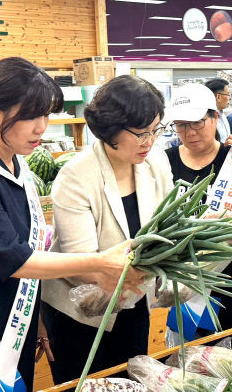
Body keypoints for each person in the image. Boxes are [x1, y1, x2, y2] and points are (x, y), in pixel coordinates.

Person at [0, 58, 140, 392]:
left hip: (14, 331)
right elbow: (15, 259)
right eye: (31, 116)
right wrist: (100, 261)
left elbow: (27, 251)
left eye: (46, 115)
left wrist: (36, 321)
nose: (42, 127)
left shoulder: (17, 169)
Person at [41, 75, 173, 384]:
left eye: (156, 130)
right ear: (111, 129)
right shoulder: (76, 176)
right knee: (87, 385)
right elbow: (83, 264)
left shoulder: (155, 162)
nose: (149, 141)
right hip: (80, 313)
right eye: (141, 133)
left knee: (131, 381)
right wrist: (147, 268)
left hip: (134, 304)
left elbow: (167, 226)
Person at [163, 83, 232, 341]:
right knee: (188, 360)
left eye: (197, 122)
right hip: (186, 282)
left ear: (215, 117)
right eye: (181, 124)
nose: (189, 132)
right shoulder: (164, 161)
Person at [204, 78, 231, 143]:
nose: (229, 98)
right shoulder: (206, 119)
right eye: (227, 94)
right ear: (218, 97)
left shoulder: (222, 114)